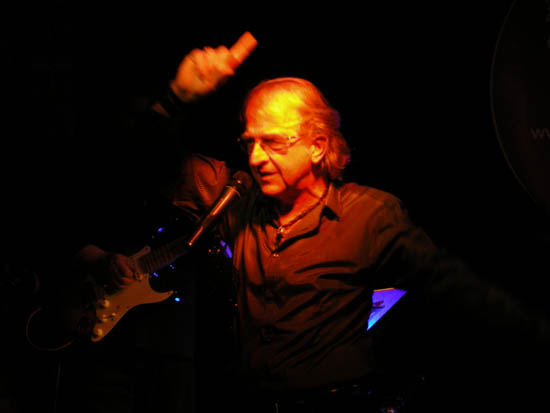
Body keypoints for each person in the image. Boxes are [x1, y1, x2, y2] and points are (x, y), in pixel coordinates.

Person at [72, 36, 549, 412]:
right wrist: (176, 98)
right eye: (250, 142)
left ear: (318, 146)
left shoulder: (369, 214)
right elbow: (143, 162)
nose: (256, 157)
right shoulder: (234, 199)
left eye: (274, 142)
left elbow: (456, 292)